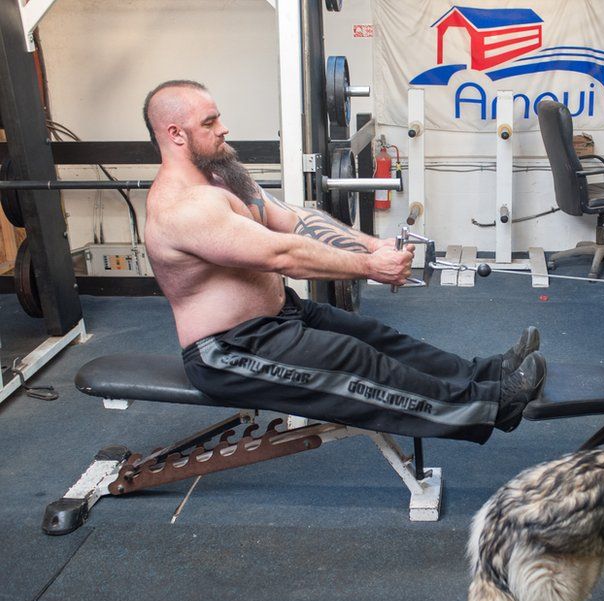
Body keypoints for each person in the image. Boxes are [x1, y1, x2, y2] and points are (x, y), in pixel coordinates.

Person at [141, 79, 545, 443]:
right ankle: (493, 406)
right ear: (175, 134)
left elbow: (294, 218)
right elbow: (281, 253)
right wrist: (370, 269)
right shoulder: (181, 208)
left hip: (278, 318)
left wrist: (371, 247)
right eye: (210, 123)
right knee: (357, 362)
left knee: (376, 337)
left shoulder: (221, 178)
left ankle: (488, 373)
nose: (223, 128)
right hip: (229, 351)